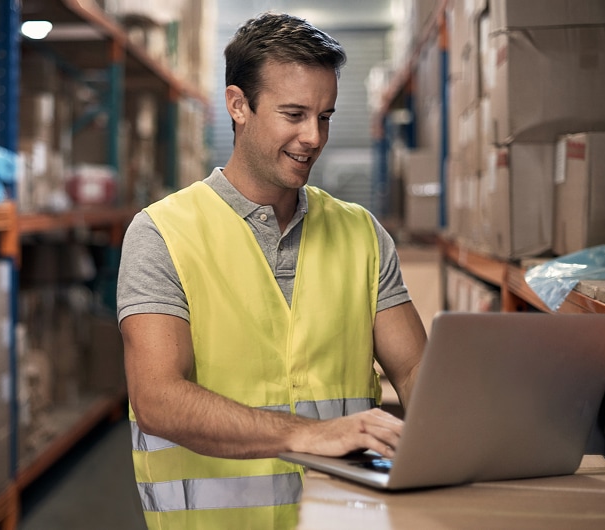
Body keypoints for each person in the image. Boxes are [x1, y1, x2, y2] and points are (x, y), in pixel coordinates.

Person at [117, 12, 427, 530]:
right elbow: (157, 399)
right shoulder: (162, 234)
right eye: (294, 114)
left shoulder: (362, 235)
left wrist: (458, 443)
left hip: (341, 521)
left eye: (325, 116)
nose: (313, 137)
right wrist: (306, 434)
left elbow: (416, 370)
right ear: (238, 105)